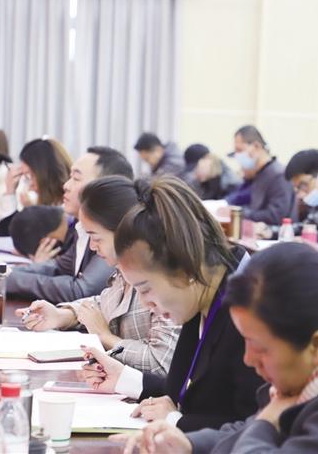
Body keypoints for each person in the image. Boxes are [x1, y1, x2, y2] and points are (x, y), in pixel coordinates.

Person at [111, 243, 318, 454]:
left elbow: (262, 431)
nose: (248, 359)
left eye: (259, 346)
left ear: (317, 344)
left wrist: (267, 419)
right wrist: (188, 443)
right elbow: (249, 430)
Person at [81, 176, 263, 432]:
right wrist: (124, 379)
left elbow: (254, 426)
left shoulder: (247, 315)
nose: (146, 302)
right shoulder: (199, 295)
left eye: (146, 289)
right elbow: (186, 392)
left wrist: (176, 421)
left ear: (184, 268)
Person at [14, 176, 181, 375]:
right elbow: (102, 304)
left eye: (96, 238)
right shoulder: (124, 271)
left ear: (123, 231)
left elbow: (162, 363)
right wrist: (61, 316)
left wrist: (105, 337)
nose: (92, 247)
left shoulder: (163, 278)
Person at [6, 146, 132, 303]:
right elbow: (58, 267)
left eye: (76, 179)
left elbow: (82, 290)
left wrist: (10, 280)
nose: (66, 185)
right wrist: (3, 272)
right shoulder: (82, 228)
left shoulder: (117, 231)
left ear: (106, 187)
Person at [225, 125, 295, 226]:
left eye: (240, 150)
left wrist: (240, 213)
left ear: (256, 146)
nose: (237, 156)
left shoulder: (279, 176)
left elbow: (276, 215)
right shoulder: (257, 175)